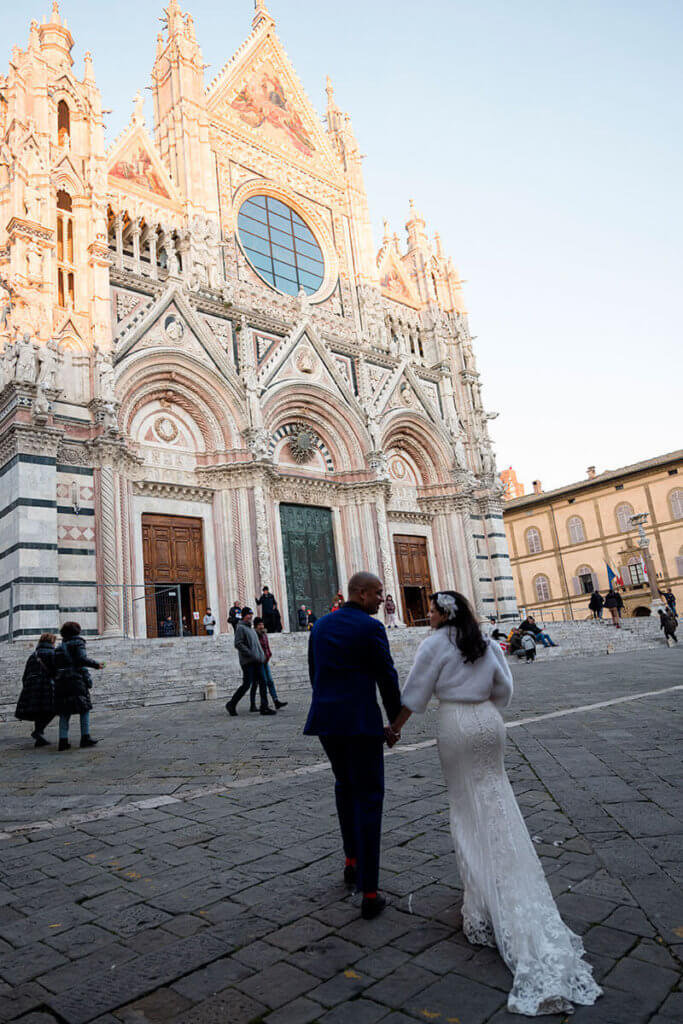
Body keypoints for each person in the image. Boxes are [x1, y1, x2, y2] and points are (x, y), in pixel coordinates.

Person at [389, 591, 602, 1016]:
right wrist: (484, 703)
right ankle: (505, 890)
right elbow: (505, 689)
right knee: (498, 802)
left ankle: (482, 907)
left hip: (456, 725)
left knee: (467, 811)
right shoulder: (483, 642)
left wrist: (393, 728)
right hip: (490, 723)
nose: (427, 615)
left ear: (442, 613)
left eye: (431, 609)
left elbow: (414, 695)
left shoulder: (433, 644)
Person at [304, 571, 402, 921]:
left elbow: (314, 675)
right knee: (370, 799)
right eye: (377, 593)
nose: (381, 599)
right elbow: (386, 677)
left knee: (344, 788)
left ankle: (350, 862)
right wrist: (395, 722)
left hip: (327, 723)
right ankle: (370, 892)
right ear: (360, 594)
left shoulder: (320, 627)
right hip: (360, 724)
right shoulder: (371, 628)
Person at [54, 622, 104, 750]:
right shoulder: (78, 643)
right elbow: (81, 659)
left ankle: (63, 741)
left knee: (64, 711)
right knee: (84, 708)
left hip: (61, 681)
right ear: (77, 631)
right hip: (76, 679)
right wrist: (96, 664)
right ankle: (85, 738)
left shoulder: (60, 647)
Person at [225, 607, 275, 716]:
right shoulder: (240, 628)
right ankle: (231, 704)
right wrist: (250, 653)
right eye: (248, 614)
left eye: (251, 614)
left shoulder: (251, 629)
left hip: (257, 661)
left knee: (263, 682)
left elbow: (257, 645)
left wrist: (261, 656)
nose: (250, 616)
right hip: (248, 662)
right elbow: (238, 643)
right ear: (243, 615)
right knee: (247, 684)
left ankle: (264, 707)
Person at [15, 633, 57, 747]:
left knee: (39, 710)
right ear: (51, 642)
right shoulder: (52, 653)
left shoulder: (34, 654)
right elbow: (55, 670)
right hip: (46, 685)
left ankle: (39, 737)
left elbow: (25, 674)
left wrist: (26, 686)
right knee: (53, 708)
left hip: (31, 685)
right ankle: (38, 732)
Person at [254, 617, 287, 709]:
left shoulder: (264, 634)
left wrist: (269, 654)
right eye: (259, 624)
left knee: (270, 681)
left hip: (266, 661)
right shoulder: (255, 635)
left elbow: (267, 646)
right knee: (262, 682)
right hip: (259, 662)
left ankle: (276, 700)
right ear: (256, 626)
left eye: (262, 624)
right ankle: (262, 704)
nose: (261, 626)